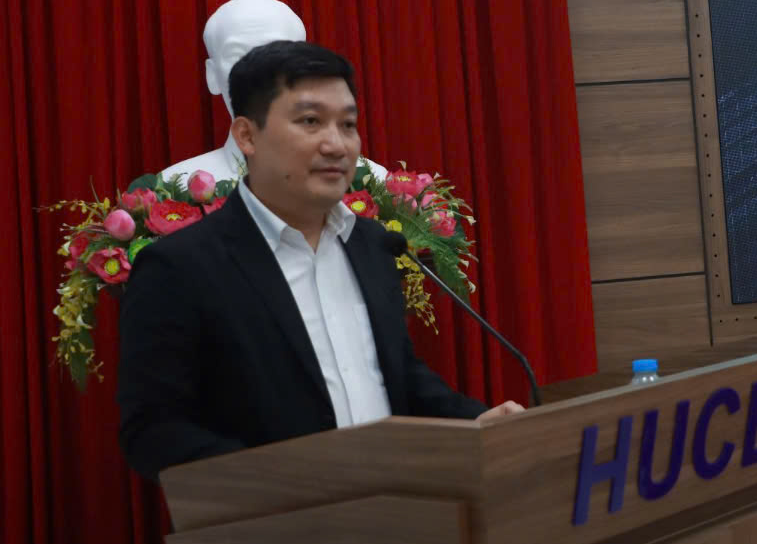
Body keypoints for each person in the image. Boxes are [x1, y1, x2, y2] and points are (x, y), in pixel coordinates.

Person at [117, 40, 522, 482]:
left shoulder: (372, 244)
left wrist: (474, 423)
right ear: (247, 136)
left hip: (394, 504)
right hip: (275, 512)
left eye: (347, 124)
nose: (336, 145)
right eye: (310, 121)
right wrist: (291, 481)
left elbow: (396, 375)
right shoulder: (180, 267)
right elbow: (154, 432)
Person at [161, 0, 384, 183]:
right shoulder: (173, 189)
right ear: (212, 76)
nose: (255, 74)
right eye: (236, 55)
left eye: (274, 54)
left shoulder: (372, 184)